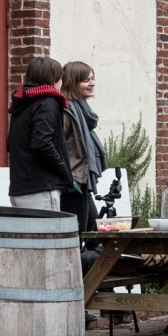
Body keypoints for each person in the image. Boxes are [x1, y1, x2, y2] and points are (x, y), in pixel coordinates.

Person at [7, 55, 73, 211]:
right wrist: (63, 170)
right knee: (48, 235)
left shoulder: (22, 103)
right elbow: (42, 144)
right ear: (53, 80)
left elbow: (10, 144)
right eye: (60, 79)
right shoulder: (47, 102)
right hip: (41, 189)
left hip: (19, 189)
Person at [61, 61, 108, 233]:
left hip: (82, 183)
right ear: (72, 82)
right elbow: (60, 147)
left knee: (93, 233)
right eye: (86, 80)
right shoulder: (67, 109)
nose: (92, 83)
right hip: (73, 183)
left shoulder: (82, 108)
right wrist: (69, 178)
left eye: (92, 78)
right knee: (83, 234)